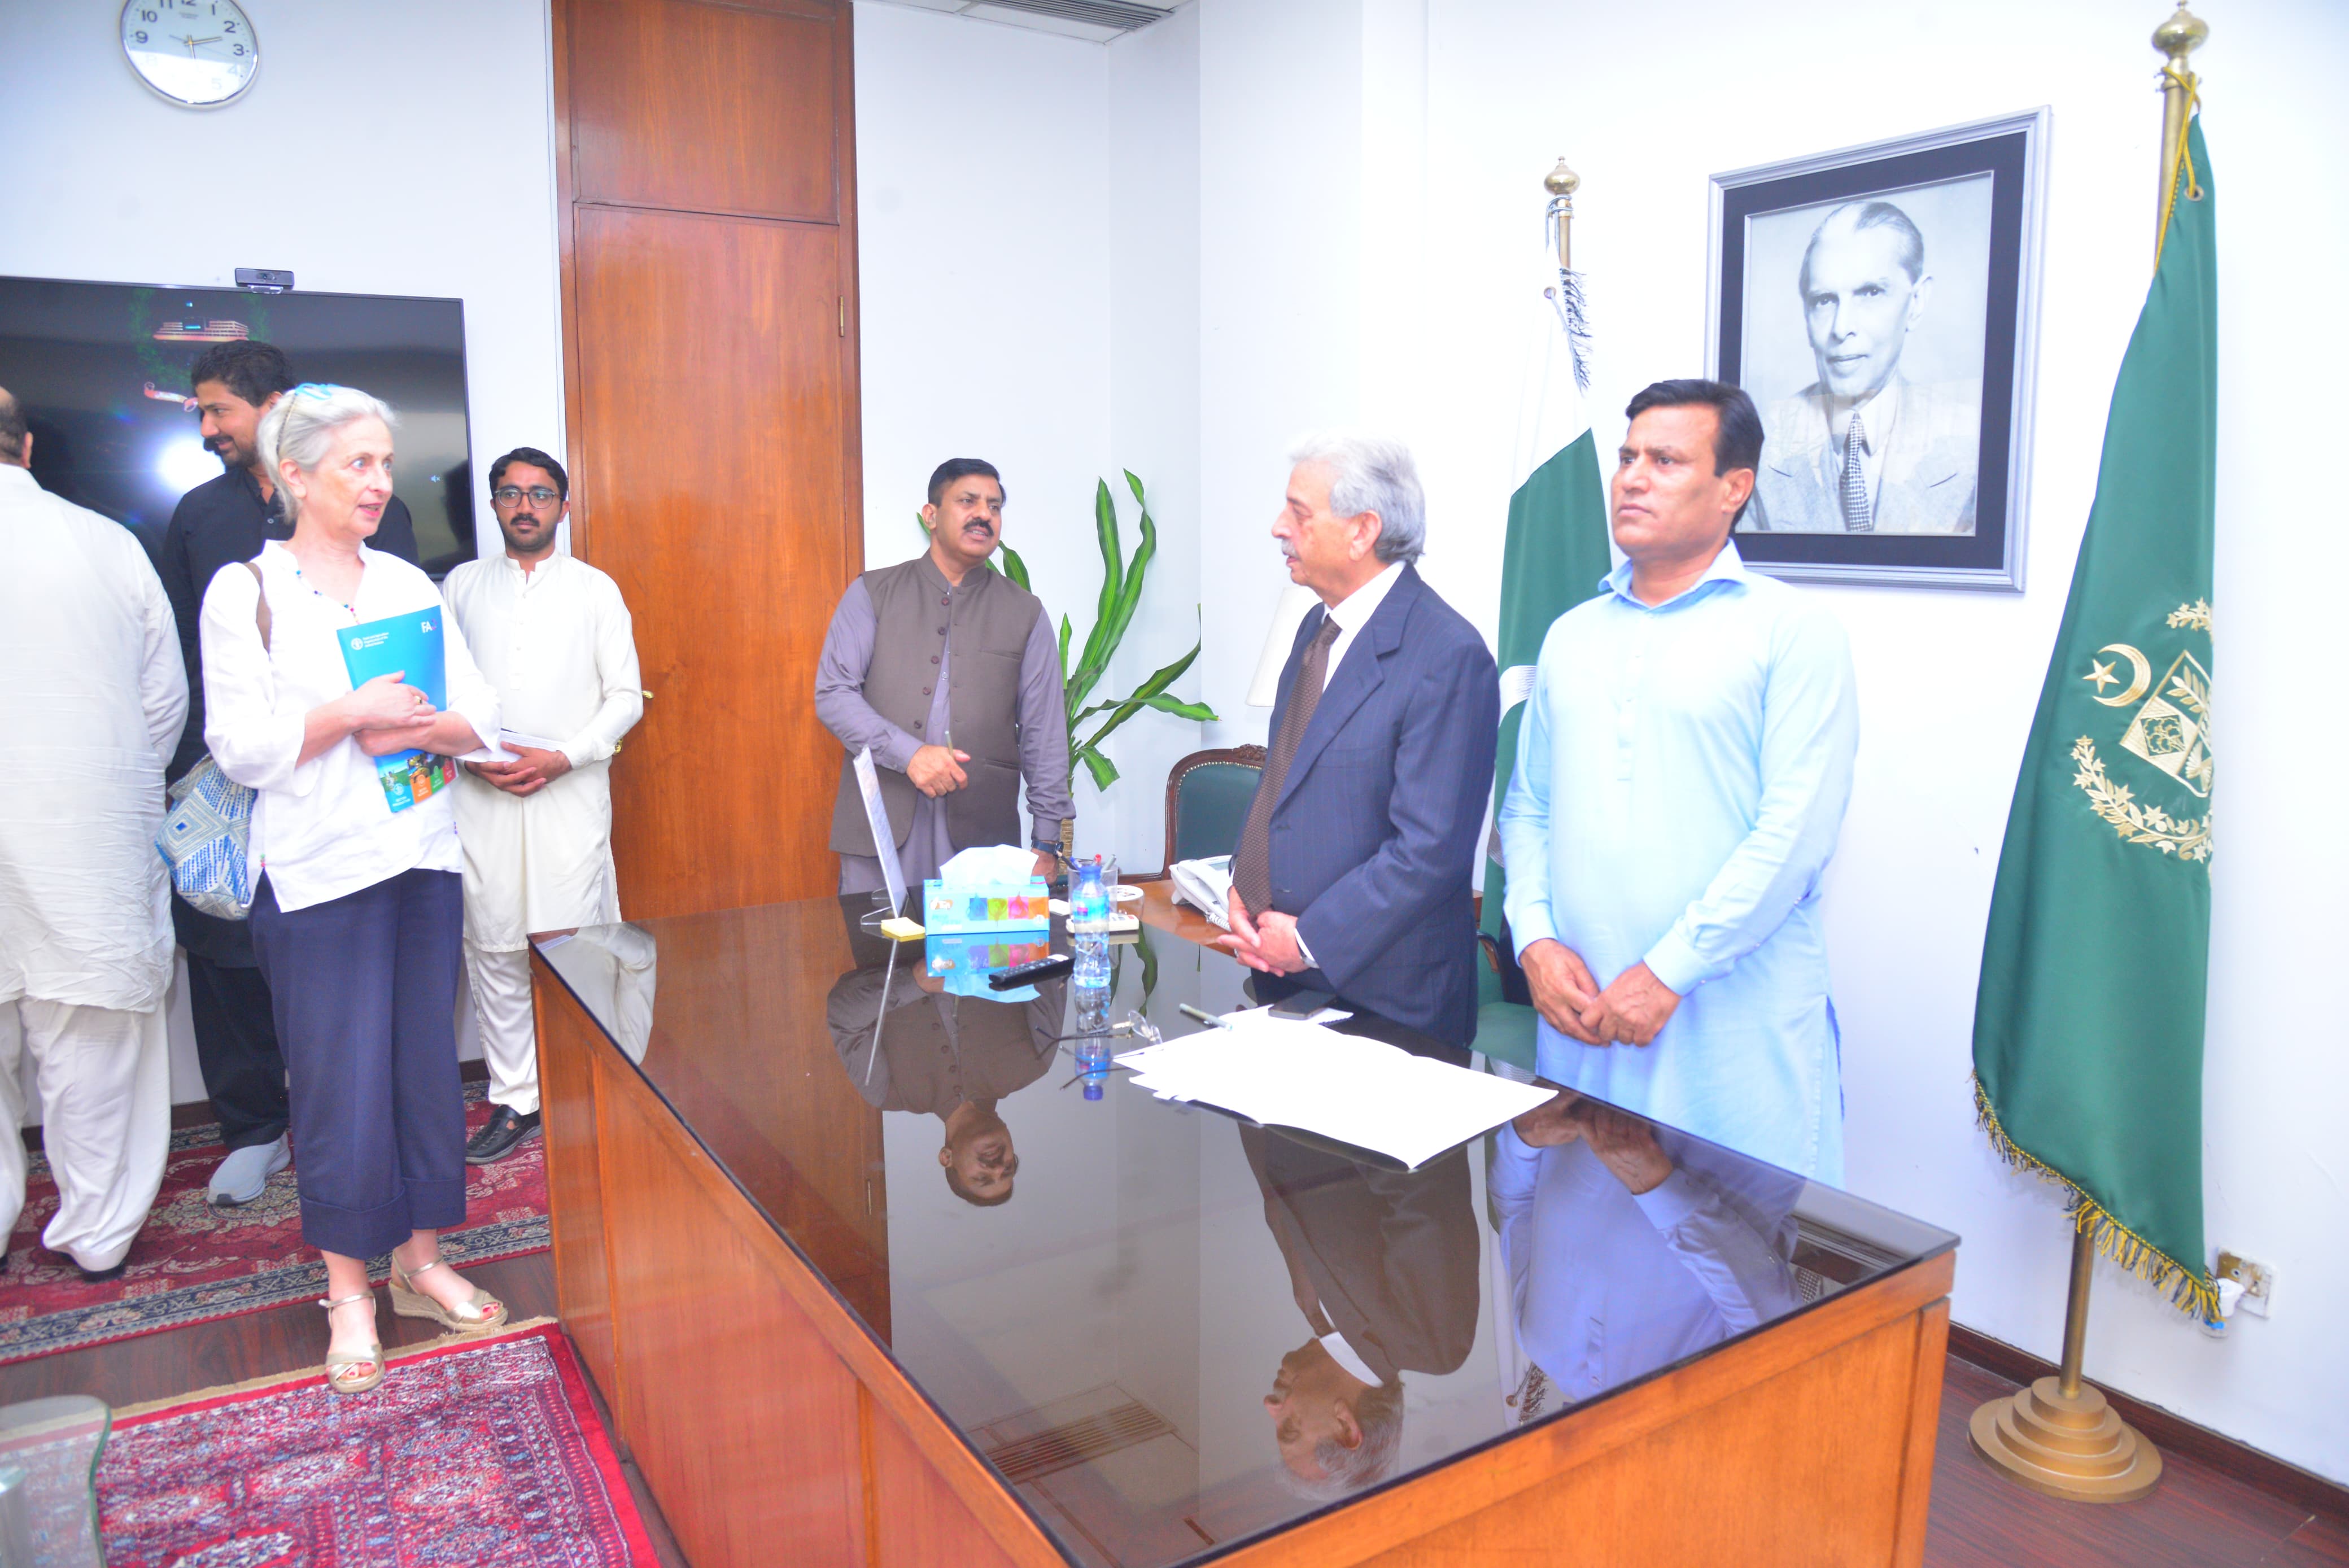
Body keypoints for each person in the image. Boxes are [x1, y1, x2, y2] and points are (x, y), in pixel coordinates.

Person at [200, 383, 507, 1394]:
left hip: (421, 857)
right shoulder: (248, 590)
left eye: (385, 462)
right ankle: (348, 1291)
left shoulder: (410, 583)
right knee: (339, 1084)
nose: (380, 482)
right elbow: (242, 748)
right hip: (318, 873)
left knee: (422, 1069)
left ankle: (420, 1263)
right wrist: (349, 712)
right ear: (293, 473)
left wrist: (410, 726)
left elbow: (480, 719)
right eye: (357, 464)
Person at [1499, 379, 1858, 1180]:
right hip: (1582, 1020)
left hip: (1725, 1031)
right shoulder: (1570, 635)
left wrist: (1670, 969)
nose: (1631, 478)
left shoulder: (1793, 632)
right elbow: (1527, 808)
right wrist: (1534, 939)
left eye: (1664, 461)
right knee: (1580, 1236)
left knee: (1736, 1245)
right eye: (1627, 457)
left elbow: (1794, 836)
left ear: (1734, 488)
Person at [154, 340, 423, 1207]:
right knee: (226, 953)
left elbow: (411, 654)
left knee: (356, 989)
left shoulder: (385, 523)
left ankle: (357, 1141)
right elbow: (181, 656)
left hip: (360, 787)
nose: (207, 428)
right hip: (233, 772)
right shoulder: (200, 516)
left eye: (219, 410)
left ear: (273, 410)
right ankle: (254, 1130)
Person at [1222, 435, 1499, 1046]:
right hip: (1282, 978)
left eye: (1298, 513)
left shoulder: (1448, 655)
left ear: (1361, 531)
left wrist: (1306, 939)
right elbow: (1285, 777)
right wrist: (1244, 881)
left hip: (1388, 1003)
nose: (1278, 527)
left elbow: (1428, 851)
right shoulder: (1315, 627)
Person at [0, 386, 187, 1280]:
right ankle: (99, 1232)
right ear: (28, 446)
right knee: (93, 1044)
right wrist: (118, 789)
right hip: (85, 833)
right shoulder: (107, 543)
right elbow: (164, 701)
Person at [443, 447, 643, 1164]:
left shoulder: (595, 589)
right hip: (484, 794)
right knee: (494, 941)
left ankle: (586, 1084)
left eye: (539, 494)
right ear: (493, 503)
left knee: (572, 942)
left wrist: (563, 756)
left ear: (563, 505)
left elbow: (625, 697)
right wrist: (474, 758)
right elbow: (436, 693)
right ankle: (517, 1097)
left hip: (569, 793)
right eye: (510, 493)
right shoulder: (460, 587)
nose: (524, 506)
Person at [815, 459, 1068, 897]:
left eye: (995, 506)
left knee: (980, 943)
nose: (984, 514)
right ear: (930, 515)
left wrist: (1047, 843)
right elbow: (834, 694)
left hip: (983, 843)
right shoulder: (873, 593)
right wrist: (910, 754)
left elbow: (1044, 733)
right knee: (878, 944)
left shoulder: (1025, 613)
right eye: (968, 501)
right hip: (881, 832)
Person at [1491, 1089, 1800, 1421]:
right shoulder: (1703, 1391)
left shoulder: (1536, 1344)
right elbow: (1773, 1318)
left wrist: (1523, 1139)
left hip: (1598, 1076)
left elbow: (1514, 1206)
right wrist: (1654, 1185)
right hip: (1745, 1102)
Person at [1245, 1126, 1477, 1497]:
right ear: (1346, 1427)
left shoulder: (1312, 1309)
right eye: (1289, 1428)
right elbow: (1418, 1174)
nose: (1271, 1406)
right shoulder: (1430, 1347)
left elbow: (1275, 1180)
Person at [1744, 201, 1980, 536]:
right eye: (1825, 300)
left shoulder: (1971, 446)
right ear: (1806, 315)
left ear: (1916, 303)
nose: (1842, 328)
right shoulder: (1758, 447)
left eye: (1870, 293)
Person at [826, 902, 1062, 1207]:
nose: (997, 1168)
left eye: (982, 1178)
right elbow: (1051, 957)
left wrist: (913, 983)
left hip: (884, 906)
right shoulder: (1035, 1061)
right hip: (981, 895)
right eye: (1009, 1169)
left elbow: (842, 1013)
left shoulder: (888, 1093)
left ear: (946, 1158)